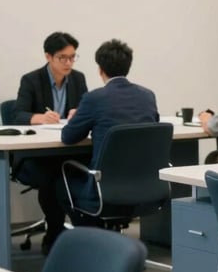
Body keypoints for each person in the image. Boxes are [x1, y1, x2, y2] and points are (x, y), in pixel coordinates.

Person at [61, 39, 159, 217]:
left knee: (58, 184)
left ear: (100, 69)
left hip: (104, 189)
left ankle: (90, 231)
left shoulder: (94, 98)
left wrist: (77, 117)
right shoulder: (148, 96)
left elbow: (68, 137)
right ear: (128, 66)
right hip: (146, 186)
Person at [13, 32, 89, 254]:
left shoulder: (78, 79)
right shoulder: (31, 80)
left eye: (72, 57)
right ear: (48, 56)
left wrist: (78, 113)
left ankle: (86, 235)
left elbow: (86, 108)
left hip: (67, 149)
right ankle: (54, 234)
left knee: (84, 169)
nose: (68, 63)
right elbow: (16, 114)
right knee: (53, 176)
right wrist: (39, 118)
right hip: (37, 155)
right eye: (62, 58)